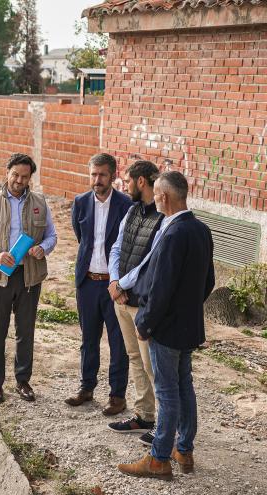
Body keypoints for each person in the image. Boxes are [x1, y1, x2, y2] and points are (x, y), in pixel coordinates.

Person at [117, 171, 215, 480]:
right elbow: (208, 282)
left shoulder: (173, 234)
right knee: (184, 387)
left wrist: (144, 323)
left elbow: (160, 288)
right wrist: (187, 308)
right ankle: (183, 450)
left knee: (168, 392)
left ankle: (159, 458)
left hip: (167, 328)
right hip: (188, 325)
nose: (155, 199)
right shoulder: (201, 229)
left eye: (157, 194)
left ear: (164, 197)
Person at [0, 153, 58, 403]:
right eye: (15, 174)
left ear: (31, 178)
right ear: (7, 173)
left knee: (25, 330)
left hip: (29, 276)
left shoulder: (40, 202)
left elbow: (52, 236)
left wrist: (44, 248)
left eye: (24, 176)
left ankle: (23, 381)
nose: (19, 180)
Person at [65, 154, 132, 415]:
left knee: (118, 342)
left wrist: (120, 282)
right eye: (93, 174)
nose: (97, 180)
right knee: (88, 338)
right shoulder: (81, 202)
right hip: (88, 282)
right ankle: (86, 387)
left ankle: (117, 395)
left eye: (102, 175)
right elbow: (81, 237)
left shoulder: (125, 205)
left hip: (114, 286)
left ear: (113, 176)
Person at [105, 160, 164, 445]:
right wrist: (114, 281)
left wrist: (121, 284)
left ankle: (164, 428)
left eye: (128, 180)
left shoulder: (163, 218)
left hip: (141, 303)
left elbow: (149, 263)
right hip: (121, 298)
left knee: (153, 365)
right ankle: (144, 416)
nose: (124, 185)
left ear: (141, 181)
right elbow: (117, 248)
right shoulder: (131, 211)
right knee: (135, 359)